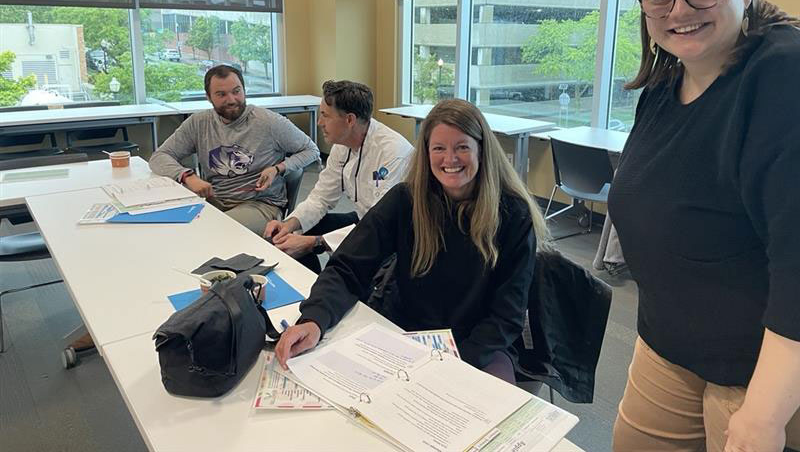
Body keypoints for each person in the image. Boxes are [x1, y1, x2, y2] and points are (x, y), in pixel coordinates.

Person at [608, 0, 800, 452]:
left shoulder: (783, 76)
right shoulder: (667, 84)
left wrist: (765, 413)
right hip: (668, 341)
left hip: (760, 365)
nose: (680, 9)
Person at [274, 99, 550, 383]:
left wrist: (458, 362)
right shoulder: (405, 200)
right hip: (404, 334)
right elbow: (348, 267)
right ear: (426, 153)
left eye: (462, 147)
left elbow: (508, 314)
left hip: (478, 344)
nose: (450, 159)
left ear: (482, 150)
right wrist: (314, 319)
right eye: (439, 148)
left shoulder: (512, 215)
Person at [149, 64, 320, 236]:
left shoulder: (268, 122)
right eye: (221, 94)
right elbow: (159, 157)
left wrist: (278, 168)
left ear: (244, 90)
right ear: (208, 97)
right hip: (213, 201)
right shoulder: (199, 123)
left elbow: (311, 150)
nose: (231, 99)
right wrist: (187, 176)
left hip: (259, 204)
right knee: (170, 230)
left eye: (236, 91)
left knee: (212, 234)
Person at [263, 80, 413, 273]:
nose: (319, 122)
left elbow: (381, 227)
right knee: (297, 231)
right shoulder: (343, 145)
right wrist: (287, 224)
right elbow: (321, 198)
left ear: (350, 120)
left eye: (325, 115)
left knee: (312, 241)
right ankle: (311, 281)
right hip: (365, 219)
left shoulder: (393, 153)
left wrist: (315, 243)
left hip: (394, 236)